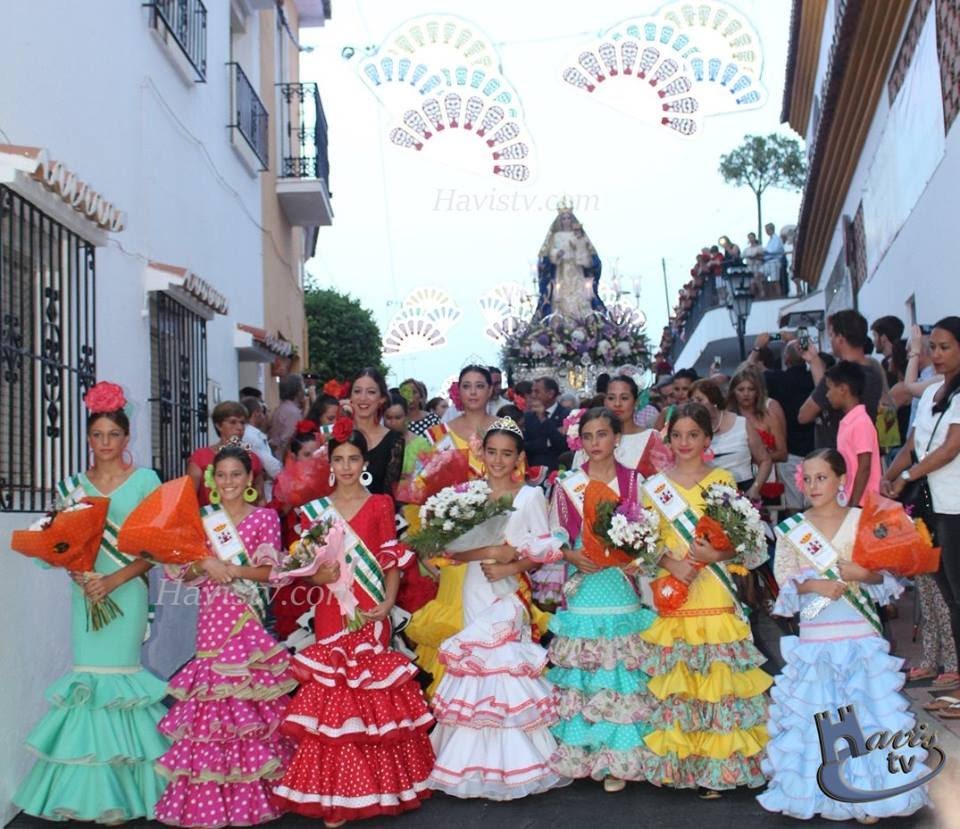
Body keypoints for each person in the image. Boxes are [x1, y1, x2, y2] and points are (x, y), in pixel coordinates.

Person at [13, 383, 169, 823]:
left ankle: (133, 790)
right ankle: (95, 794)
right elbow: (56, 538)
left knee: (120, 685)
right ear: (88, 438)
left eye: (113, 435)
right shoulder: (72, 487)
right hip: (85, 594)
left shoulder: (146, 482)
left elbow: (157, 548)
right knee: (89, 687)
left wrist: (114, 579)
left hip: (126, 591)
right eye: (97, 435)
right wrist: (76, 570)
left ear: (126, 437)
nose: (105, 443)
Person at [270, 427, 435, 825]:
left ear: (364, 464)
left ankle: (377, 786)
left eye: (353, 460)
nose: (346, 467)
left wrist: (388, 601)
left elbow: (391, 558)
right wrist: (316, 577)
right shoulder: (315, 510)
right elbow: (304, 568)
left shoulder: (379, 504)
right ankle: (340, 790)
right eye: (339, 459)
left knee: (370, 693)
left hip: (371, 606)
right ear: (331, 464)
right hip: (330, 608)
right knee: (336, 695)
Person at [759, 450, 930, 821]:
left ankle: (868, 792)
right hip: (817, 634)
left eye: (822, 477)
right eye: (808, 478)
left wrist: (860, 574)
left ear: (841, 480)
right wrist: (815, 584)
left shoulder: (861, 521)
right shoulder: (793, 529)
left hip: (857, 631)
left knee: (862, 711)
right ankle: (823, 789)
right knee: (820, 710)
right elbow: (786, 583)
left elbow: (886, 578)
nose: (813, 485)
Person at [428, 417, 569, 800]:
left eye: (507, 454)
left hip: (509, 591)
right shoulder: (467, 494)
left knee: (505, 666)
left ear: (519, 457)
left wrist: (510, 565)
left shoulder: (530, 496)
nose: (498, 460)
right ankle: (473, 764)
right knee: (477, 669)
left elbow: (542, 552)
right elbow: (451, 550)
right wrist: (490, 551)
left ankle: (518, 764)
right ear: (482, 453)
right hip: (474, 586)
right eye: (492, 452)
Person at [154, 444, 294, 827]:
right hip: (211, 622)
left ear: (250, 478)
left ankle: (253, 798)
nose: (229, 481)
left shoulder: (265, 518)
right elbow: (182, 572)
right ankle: (212, 800)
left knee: (249, 712)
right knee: (213, 714)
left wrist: (229, 570)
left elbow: (272, 574)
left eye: (236, 474)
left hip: (246, 623)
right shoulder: (203, 519)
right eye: (222, 475)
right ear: (212, 480)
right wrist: (203, 563)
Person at [641, 403, 770, 796]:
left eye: (693, 435)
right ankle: (685, 766)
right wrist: (669, 563)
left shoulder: (723, 481)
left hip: (713, 587)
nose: (684, 443)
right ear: (668, 439)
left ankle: (721, 771)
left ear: (707, 440)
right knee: (683, 683)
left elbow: (743, 540)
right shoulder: (654, 487)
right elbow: (642, 543)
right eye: (677, 435)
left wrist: (717, 556)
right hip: (674, 588)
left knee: (717, 681)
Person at [547, 408, 657, 793]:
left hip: (620, 583)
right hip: (586, 580)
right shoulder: (567, 485)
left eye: (602, 434)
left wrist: (634, 560)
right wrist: (570, 555)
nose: (595, 443)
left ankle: (618, 759)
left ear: (616, 439)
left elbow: (649, 532)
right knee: (586, 673)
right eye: (588, 436)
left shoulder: (634, 481)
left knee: (620, 676)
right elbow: (555, 534)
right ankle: (584, 752)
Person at [883, 316, 960, 696]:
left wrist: (907, 477)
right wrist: (891, 475)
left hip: (955, 504)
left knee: (956, 594)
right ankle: (948, 672)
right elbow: (914, 443)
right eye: (934, 347)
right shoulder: (932, 394)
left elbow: (949, 448)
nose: (938, 355)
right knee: (939, 589)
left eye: (945, 347)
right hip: (928, 505)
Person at [799, 310, 889, 449]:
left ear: (840, 339)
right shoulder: (874, 373)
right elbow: (827, 394)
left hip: (836, 457)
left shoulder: (840, 375)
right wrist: (815, 361)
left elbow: (804, 415)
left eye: (831, 335)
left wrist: (816, 363)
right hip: (862, 449)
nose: (831, 340)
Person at [689, 379, 772, 500]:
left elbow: (765, 460)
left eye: (699, 400)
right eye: (692, 401)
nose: (695, 405)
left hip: (743, 491)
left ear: (713, 400)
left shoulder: (742, 424)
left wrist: (755, 488)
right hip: (708, 493)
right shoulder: (692, 429)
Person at [572, 375, 658, 474]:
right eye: (611, 398)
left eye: (624, 398)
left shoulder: (652, 438)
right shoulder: (590, 437)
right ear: (605, 401)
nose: (617, 404)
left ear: (636, 402)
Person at [825, 361, 881, 507]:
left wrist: (853, 504)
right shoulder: (849, 421)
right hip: (850, 498)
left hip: (862, 503)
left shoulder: (861, 422)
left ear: (843, 389)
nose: (827, 394)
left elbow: (864, 466)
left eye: (830, 388)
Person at [187, 401, 265, 506]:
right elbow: (189, 499)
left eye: (242, 423)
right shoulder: (200, 457)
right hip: (209, 519)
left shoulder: (253, 458)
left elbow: (260, 498)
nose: (239, 427)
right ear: (219, 425)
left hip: (246, 520)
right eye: (233, 422)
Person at [347, 367, 405, 497]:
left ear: (382, 399)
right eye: (357, 391)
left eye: (371, 392)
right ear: (350, 396)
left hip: (375, 515)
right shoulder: (337, 435)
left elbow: (388, 497)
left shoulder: (394, 441)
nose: (363, 398)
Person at [536, 207, 602, 320]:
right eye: (564, 219)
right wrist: (557, 254)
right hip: (561, 271)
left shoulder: (578, 234)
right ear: (560, 221)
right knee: (561, 296)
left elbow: (586, 251)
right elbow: (550, 253)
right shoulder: (556, 236)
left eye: (568, 218)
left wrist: (579, 254)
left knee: (580, 296)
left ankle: (583, 319)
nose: (566, 221)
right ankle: (562, 320)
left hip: (577, 270)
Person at [524, 376, 571, 471]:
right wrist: (546, 443)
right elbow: (524, 445)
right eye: (531, 391)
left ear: (550, 393)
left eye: (537, 391)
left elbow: (563, 446)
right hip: (533, 470)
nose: (532, 395)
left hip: (558, 470)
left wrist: (543, 419)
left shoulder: (567, 415)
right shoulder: (528, 416)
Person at [242, 395, 283, 481]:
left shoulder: (247, 433)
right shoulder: (252, 436)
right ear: (256, 413)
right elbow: (270, 466)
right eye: (263, 412)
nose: (265, 417)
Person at [269, 373, 306, 456]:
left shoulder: (281, 408)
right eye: (303, 387)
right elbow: (288, 439)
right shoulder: (292, 412)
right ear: (298, 391)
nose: (304, 390)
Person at [762, 223, 786, 299]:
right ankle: (764, 293)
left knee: (775, 281)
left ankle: (778, 297)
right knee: (759, 275)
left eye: (767, 230)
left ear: (771, 229)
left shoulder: (777, 239)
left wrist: (764, 251)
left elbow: (774, 250)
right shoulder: (770, 240)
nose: (766, 231)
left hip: (774, 261)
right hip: (767, 262)